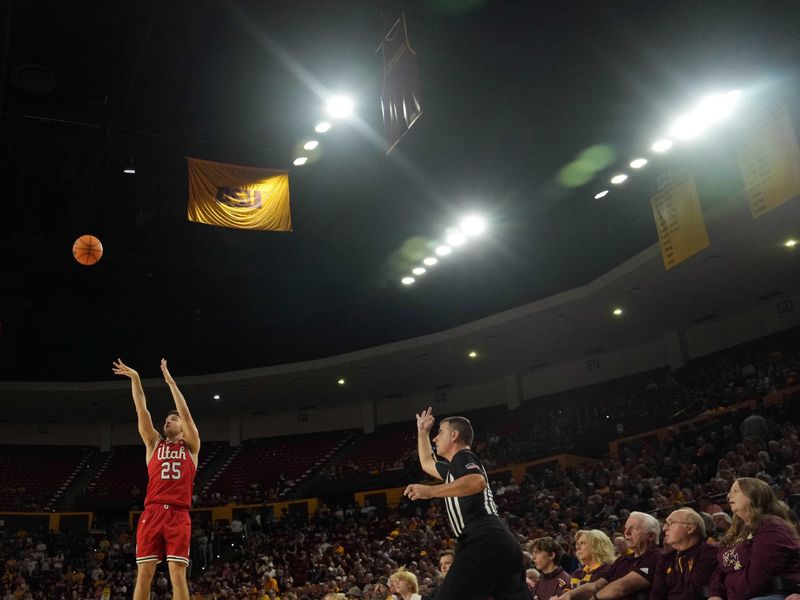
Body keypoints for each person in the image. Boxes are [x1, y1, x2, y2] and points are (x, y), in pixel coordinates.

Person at [403, 407, 528, 600]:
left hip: (484, 539)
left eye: (439, 433)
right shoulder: (453, 470)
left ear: (454, 436)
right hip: (499, 541)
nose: (435, 439)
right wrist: (423, 432)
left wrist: (430, 491)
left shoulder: (463, 456)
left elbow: (477, 482)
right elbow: (427, 462)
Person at [113, 358, 200, 600]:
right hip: (151, 513)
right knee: (144, 573)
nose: (168, 421)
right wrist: (136, 379)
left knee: (177, 574)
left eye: (173, 419)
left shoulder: (191, 447)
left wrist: (171, 382)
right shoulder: (154, 443)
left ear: (182, 426)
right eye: (167, 419)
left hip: (178, 514)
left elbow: (187, 415)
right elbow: (142, 409)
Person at [708, 477, 800, 600]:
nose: (729, 496)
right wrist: (715, 594)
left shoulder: (771, 527)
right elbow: (720, 569)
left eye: (735, 491)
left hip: (771, 593)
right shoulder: (735, 532)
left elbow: (758, 577)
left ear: (754, 495)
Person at [558, 512, 660, 600]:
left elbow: (622, 588)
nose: (626, 533)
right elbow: (597, 585)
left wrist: (594, 598)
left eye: (634, 528)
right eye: (625, 528)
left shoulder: (657, 556)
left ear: (651, 536)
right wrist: (568, 596)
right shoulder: (622, 560)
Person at [650, 508, 717, 600]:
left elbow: (694, 591)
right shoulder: (665, 559)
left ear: (690, 528)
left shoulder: (708, 553)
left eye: (671, 523)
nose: (664, 528)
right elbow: (657, 593)